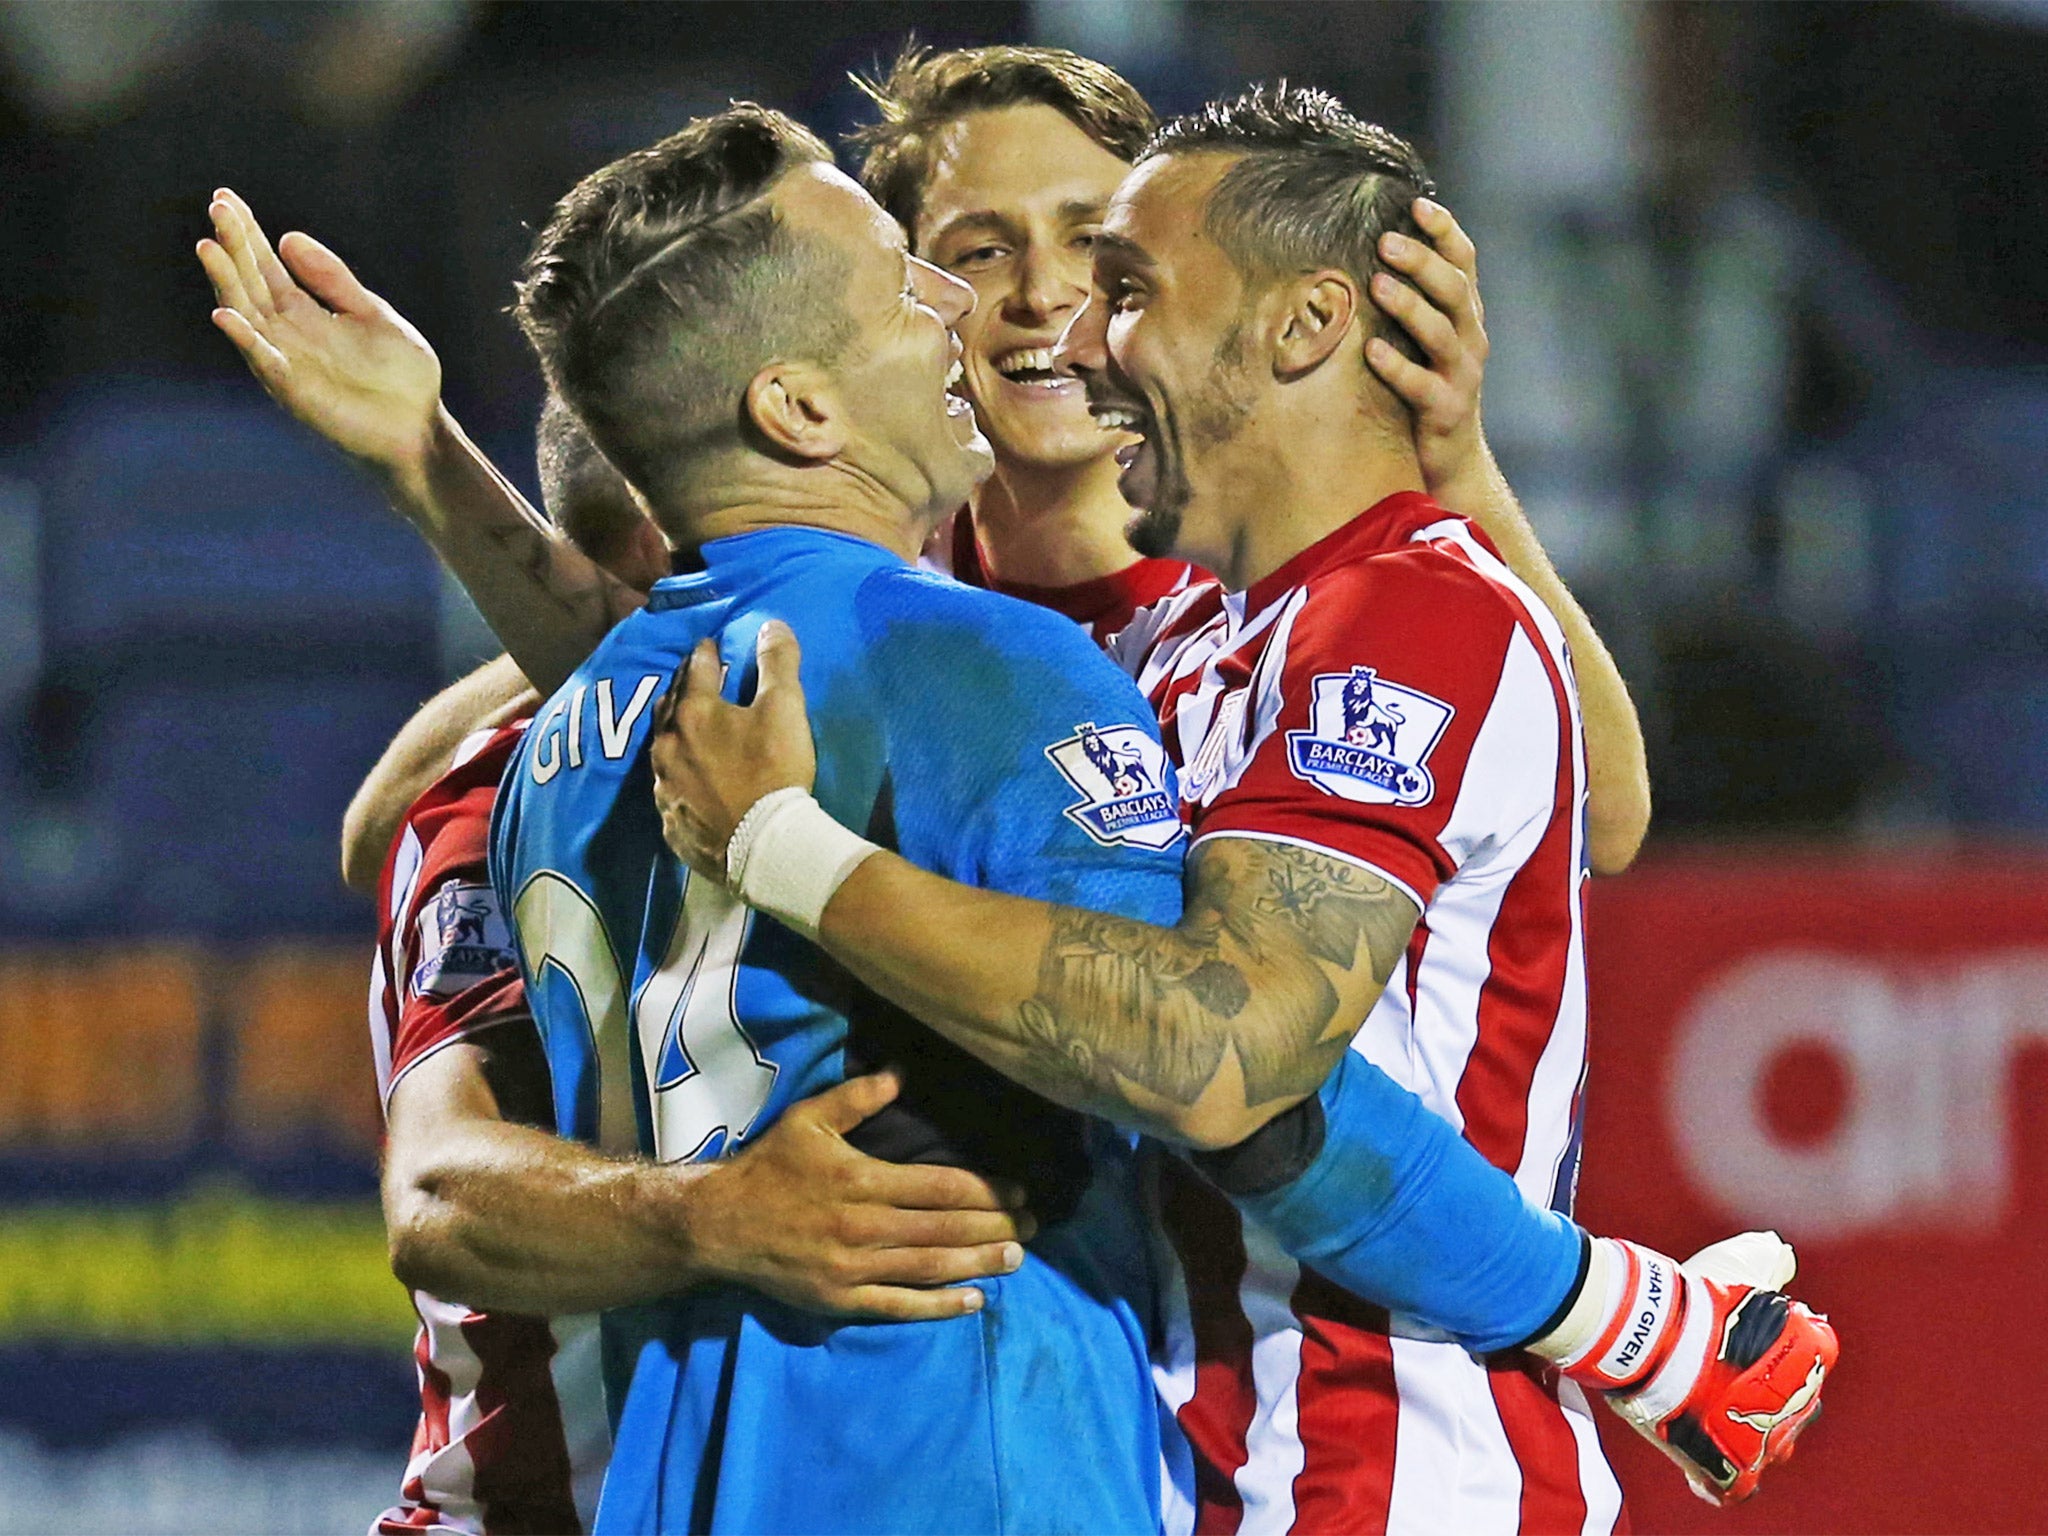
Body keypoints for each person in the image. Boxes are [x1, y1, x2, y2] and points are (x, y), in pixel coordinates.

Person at [645, 85, 1837, 1524]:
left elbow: (1225, 1058)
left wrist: (780, 846)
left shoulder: (1401, 616)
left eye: (1121, 278)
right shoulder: (1173, 645)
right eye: (974, 252)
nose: (1070, 324)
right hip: (1199, 1466)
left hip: (1385, 1481)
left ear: (1302, 323)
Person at [364, 395, 1034, 1535]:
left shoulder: (924, 685)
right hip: (547, 1505)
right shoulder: (505, 786)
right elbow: (437, 1190)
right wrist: (714, 1216)